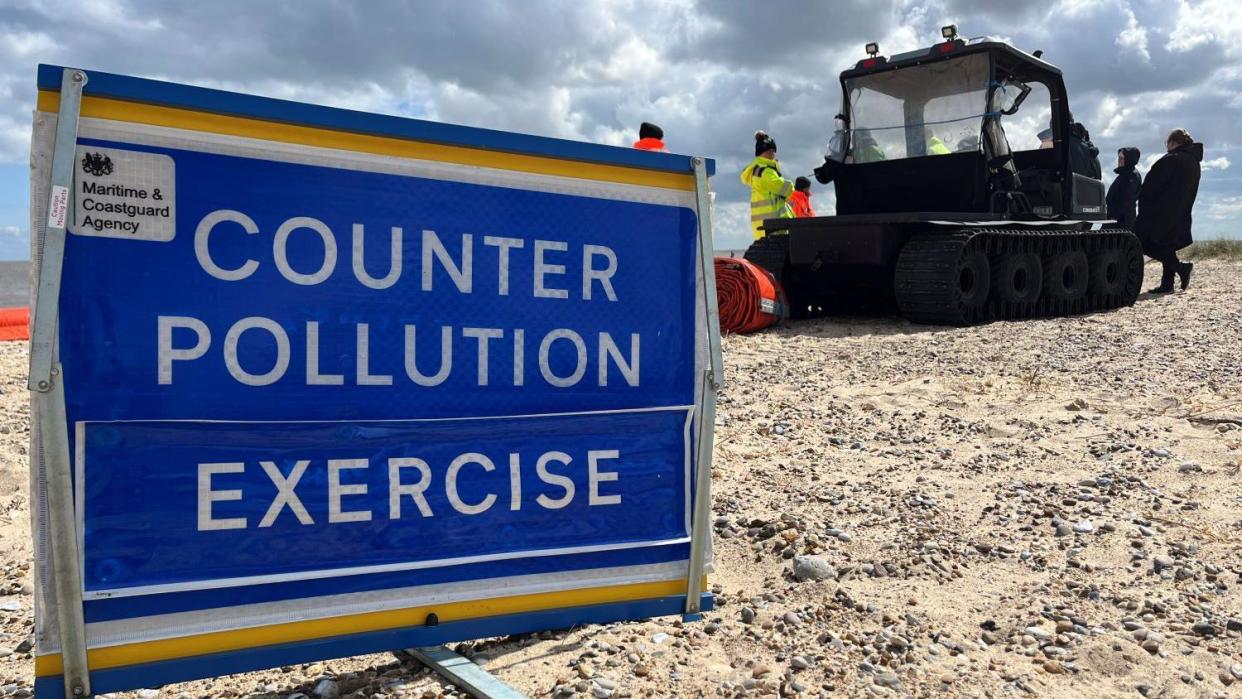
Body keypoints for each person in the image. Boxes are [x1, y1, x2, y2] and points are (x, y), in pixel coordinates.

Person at [1134, 128, 1202, 293]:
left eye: (1167, 143)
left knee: (1142, 241)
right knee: (1167, 244)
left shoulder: (1172, 159)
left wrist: (1142, 199)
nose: (1167, 147)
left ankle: (1180, 267)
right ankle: (1167, 283)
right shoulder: (1193, 162)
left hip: (1160, 211)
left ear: (1173, 142)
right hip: (1180, 211)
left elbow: (1152, 185)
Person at [739, 130, 795, 239]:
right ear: (770, 151)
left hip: (767, 225)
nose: (775, 154)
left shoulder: (759, 170)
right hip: (772, 226)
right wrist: (791, 184)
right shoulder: (765, 171)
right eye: (774, 151)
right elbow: (785, 188)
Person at [1106, 147, 1141, 230]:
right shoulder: (1126, 174)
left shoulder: (1131, 176)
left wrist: (1115, 216)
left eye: (1122, 158)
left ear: (1129, 159)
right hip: (1116, 220)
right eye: (1119, 158)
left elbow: (1127, 200)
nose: (1119, 160)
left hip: (1122, 222)